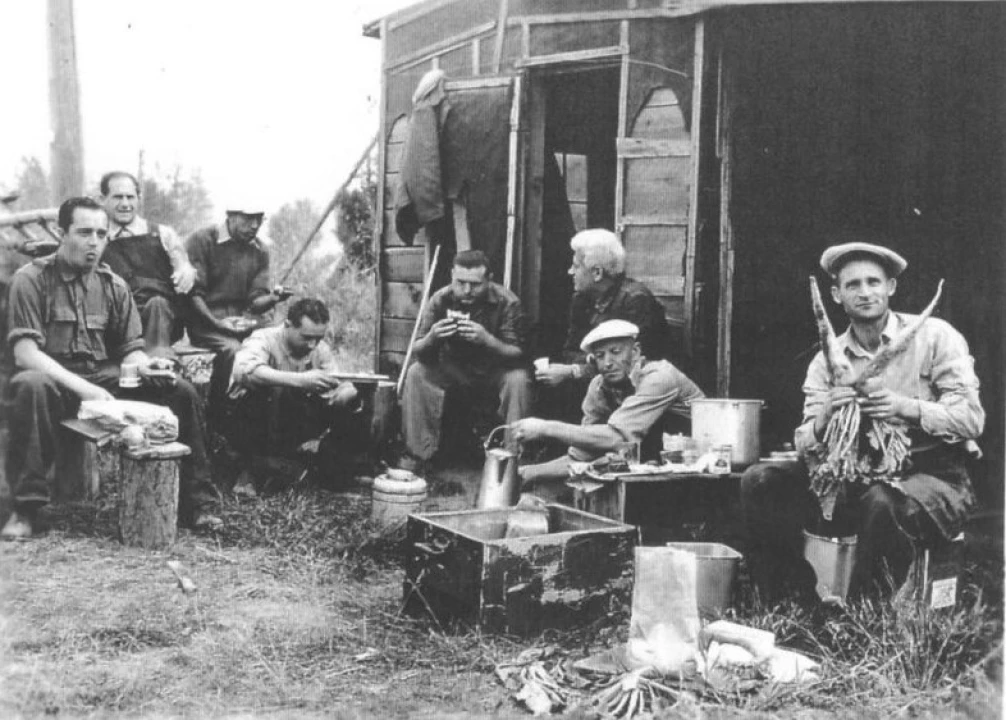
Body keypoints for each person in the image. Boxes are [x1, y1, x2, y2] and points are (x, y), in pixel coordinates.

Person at [740, 241, 985, 602]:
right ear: (836, 295)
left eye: (874, 282)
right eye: (852, 285)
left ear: (891, 287)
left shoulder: (935, 336)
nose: (865, 292)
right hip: (849, 476)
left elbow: (971, 419)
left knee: (882, 502)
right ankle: (792, 601)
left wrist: (905, 407)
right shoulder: (827, 360)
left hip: (933, 477)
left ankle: (863, 616)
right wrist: (826, 417)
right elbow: (805, 443)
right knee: (760, 480)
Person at [1, 197, 221, 539]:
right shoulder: (31, 279)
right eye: (84, 232)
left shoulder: (114, 285)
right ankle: (26, 510)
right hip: (55, 382)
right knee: (30, 384)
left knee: (178, 390)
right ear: (62, 233)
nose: (94, 242)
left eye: (101, 234)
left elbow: (130, 351)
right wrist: (84, 388)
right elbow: (26, 353)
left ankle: (198, 503)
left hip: (104, 379)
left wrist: (147, 367)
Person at [513, 319, 705, 486]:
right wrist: (526, 473)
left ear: (635, 351)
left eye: (615, 352)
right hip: (651, 471)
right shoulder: (599, 387)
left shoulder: (659, 378)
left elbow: (617, 438)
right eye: (600, 356)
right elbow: (583, 454)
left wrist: (545, 428)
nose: (607, 363)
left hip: (702, 468)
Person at [399, 249, 533, 473]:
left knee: (518, 380)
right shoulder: (440, 299)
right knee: (416, 373)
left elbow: (519, 354)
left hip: (494, 373)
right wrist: (432, 337)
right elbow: (418, 350)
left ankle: (513, 459)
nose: (467, 290)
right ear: (452, 275)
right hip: (454, 371)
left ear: (489, 280)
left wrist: (487, 340)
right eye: (460, 283)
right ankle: (419, 455)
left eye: (475, 284)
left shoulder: (507, 302)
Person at [226, 298, 362, 496]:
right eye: (306, 337)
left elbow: (334, 386)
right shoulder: (263, 338)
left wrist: (346, 394)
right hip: (249, 420)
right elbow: (244, 371)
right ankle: (251, 471)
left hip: (291, 420)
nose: (312, 345)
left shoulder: (319, 349)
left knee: (352, 403)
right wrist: (300, 380)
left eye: (318, 338)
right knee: (273, 388)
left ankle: (332, 472)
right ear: (288, 325)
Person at [535, 229, 671, 390]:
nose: (570, 271)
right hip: (600, 383)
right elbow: (570, 351)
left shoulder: (635, 300)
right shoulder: (581, 299)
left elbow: (633, 364)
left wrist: (575, 371)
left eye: (576, 266)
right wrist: (590, 361)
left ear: (597, 273)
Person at [185, 201, 285, 412]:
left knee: (275, 344)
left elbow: (255, 301)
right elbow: (193, 294)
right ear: (230, 216)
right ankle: (221, 412)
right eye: (248, 218)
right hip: (205, 320)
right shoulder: (202, 240)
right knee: (234, 352)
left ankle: (269, 412)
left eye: (259, 219)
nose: (254, 225)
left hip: (242, 321)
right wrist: (217, 323)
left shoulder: (260, 250)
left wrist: (274, 298)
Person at [99, 171, 197, 354]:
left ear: (139, 199)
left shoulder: (163, 234)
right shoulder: (97, 238)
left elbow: (184, 267)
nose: (125, 204)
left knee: (157, 304)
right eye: (117, 197)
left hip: (160, 319)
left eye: (130, 197)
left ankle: (158, 361)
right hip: (115, 320)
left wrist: (186, 272)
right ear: (102, 199)